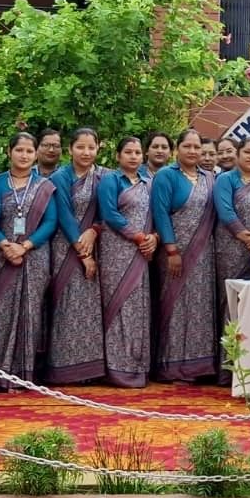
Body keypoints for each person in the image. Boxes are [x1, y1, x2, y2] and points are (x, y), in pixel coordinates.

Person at [0, 132, 59, 391]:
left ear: (35, 154)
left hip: (34, 255)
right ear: (9, 152)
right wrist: (5, 245)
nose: (24, 155)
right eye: (19, 150)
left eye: (29, 151)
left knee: (30, 313)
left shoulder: (46, 186)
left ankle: (24, 375)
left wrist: (24, 246)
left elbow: (51, 222)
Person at [150, 129, 218, 382]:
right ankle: (172, 366)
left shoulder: (209, 178)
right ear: (177, 149)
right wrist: (171, 249)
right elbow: (160, 212)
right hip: (174, 253)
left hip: (203, 255)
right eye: (187, 146)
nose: (192, 151)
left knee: (201, 307)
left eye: (196, 147)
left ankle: (199, 367)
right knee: (175, 306)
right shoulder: (166, 176)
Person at [46, 128, 107, 385]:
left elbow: (109, 210)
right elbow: (64, 215)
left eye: (91, 147)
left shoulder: (105, 177)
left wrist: (94, 231)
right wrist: (83, 254)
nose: (86, 152)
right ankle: (63, 369)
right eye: (80, 147)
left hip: (95, 246)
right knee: (67, 305)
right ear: (70, 149)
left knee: (90, 308)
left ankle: (89, 370)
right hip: (65, 248)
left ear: (98, 149)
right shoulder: (60, 176)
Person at [97, 137, 158, 388]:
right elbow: (109, 213)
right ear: (118, 156)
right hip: (116, 249)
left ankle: (136, 368)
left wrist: (154, 237)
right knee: (117, 304)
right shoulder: (110, 180)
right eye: (128, 152)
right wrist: (138, 235)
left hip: (142, 252)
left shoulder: (149, 181)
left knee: (138, 307)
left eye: (137, 152)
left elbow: (156, 213)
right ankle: (115, 369)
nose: (133, 156)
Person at [212, 136, 250, 382]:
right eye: (248, 152)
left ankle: (249, 366)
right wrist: (248, 239)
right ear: (239, 154)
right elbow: (225, 211)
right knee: (229, 304)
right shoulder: (225, 179)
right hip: (231, 248)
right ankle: (227, 370)